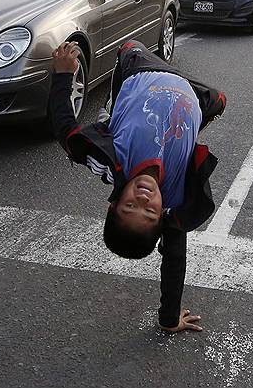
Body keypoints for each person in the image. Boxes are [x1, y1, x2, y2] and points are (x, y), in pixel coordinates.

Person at [49, 40, 226, 333]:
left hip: (140, 70)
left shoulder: (109, 160)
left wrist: (63, 75)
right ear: (162, 217)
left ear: (114, 202)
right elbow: (174, 258)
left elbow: (65, 130)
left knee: (129, 46)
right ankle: (191, 115)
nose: (144, 199)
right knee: (221, 100)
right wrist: (170, 320)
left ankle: (118, 98)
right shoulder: (176, 199)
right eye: (150, 212)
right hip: (189, 94)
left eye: (131, 205)